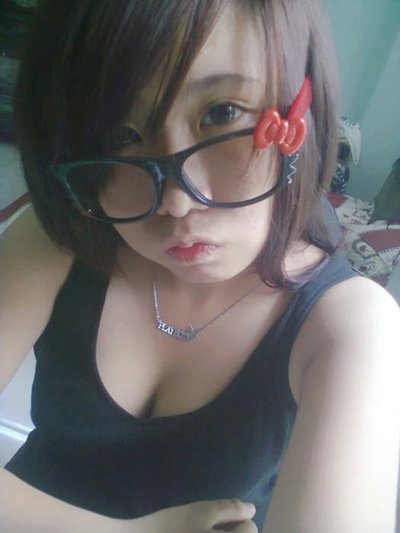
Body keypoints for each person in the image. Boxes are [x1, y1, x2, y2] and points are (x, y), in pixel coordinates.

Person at [0, 1, 399, 532]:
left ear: (301, 110)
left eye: (222, 113)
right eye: (121, 135)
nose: (178, 201)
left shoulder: (352, 325)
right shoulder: (60, 238)